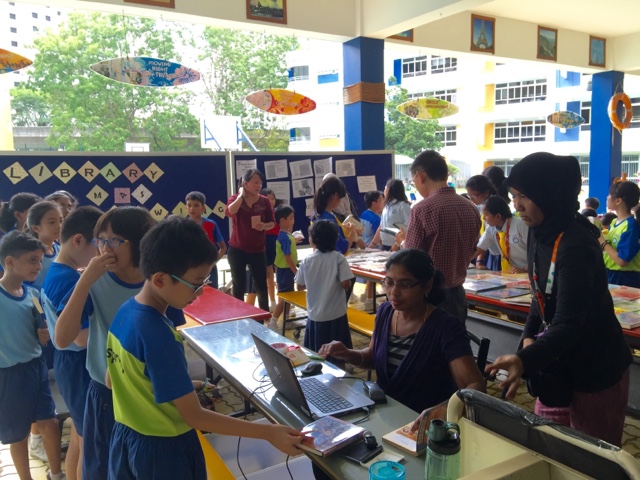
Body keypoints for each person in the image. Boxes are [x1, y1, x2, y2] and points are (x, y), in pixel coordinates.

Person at [105, 216, 303, 479]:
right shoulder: (159, 335)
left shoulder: (125, 312)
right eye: (196, 283)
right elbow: (195, 417)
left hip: (127, 438)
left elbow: (113, 380)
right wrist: (268, 432)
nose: (199, 292)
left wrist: (185, 386)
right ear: (161, 279)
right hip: (164, 451)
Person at [486, 152, 632, 447]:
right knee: (549, 447)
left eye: (524, 197)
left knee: (590, 458)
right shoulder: (539, 232)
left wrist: (524, 359)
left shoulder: (576, 244)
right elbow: (538, 297)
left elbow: (570, 322)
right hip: (555, 365)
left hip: (594, 370)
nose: (517, 206)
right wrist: (527, 339)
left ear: (548, 194)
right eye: (514, 197)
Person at [55, 206, 184, 479]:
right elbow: (62, 338)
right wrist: (85, 282)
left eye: (114, 240)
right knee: (100, 468)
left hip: (148, 392)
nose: (105, 248)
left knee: (142, 466)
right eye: (100, 240)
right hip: (105, 395)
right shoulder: (94, 281)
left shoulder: (158, 280)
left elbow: (171, 333)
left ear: (140, 241)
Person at [318, 249, 485, 414]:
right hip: (385, 413)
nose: (394, 292)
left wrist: (442, 411)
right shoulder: (385, 312)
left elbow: (475, 386)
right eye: (389, 282)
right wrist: (347, 354)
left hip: (421, 420)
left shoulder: (445, 327)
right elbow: (373, 357)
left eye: (405, 285)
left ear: (427, 285)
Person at [42, 206, 103, 480]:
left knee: (80, 436)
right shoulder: (69, 280)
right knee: (89, 441)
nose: (100, 254)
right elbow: (80, 336)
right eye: (98, 246)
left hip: (68, 362)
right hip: (78, 363)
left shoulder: (59, 270)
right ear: (79, 240)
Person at [0, 232, 65, 480]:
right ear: (9, 261)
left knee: (49, 422)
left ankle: (56, 473)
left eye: (39, 260)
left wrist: (44, 334)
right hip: (9, 374)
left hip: (36, 368)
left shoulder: (33, 296)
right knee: (19, 434)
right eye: (32, 260)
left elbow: (41, 330)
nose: (38, 266)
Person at [399, 150, 481, 324]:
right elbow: (473, 248)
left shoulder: (421, 210)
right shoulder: (471, 208)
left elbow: (412, 259)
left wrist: (403, 243)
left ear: (420, 176)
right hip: (458, 295)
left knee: (428, 340)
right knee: (455, 339)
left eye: (414, 181)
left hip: (429, 297)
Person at [295, 220, 354, 367]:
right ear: (334, 239)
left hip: (315, 316)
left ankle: (318, 374)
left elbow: (299, 286)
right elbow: (346, 283)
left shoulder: (307, 261)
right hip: (336, 315)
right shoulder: (338, 258)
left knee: (317, 355)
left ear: (312, 240)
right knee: (339, 356)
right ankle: (340, 375)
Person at [225, 169, 275, 312]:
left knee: (261, 286)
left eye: (260, 183)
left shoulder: (264, 201)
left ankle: (263, 317)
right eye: (255, 182)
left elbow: (272, 223)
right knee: (238, 286)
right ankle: (239, 317)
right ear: (245, 184)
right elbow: (229, 212)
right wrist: (241, 196)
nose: (259, 186)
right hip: (237, 249)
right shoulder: (235, 198)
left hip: (258, 250)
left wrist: (264, 226)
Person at [599, 181, 640, 288]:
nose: (607, 197)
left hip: (625, 278)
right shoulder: (614, 222)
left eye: (609, 195)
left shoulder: (631, 227)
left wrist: (602, 242)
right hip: (610, 273)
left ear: (618, 201)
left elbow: (622, 261)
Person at [473, 196, 528, 273]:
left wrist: (526, 270)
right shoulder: (491, 228)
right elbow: (479, 248)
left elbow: (535, 253)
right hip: (511, 271)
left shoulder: (521, 225)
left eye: (486, 215)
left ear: (498, 216)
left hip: (527, 271)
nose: (484, 219)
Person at [185, 191, 226, 289]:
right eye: (189, 205)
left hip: (209, 268)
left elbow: (223, 248)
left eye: (196, 205)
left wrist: (213, 262)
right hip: (190, 267)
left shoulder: (211, 224)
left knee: (211, 294)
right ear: (186, 208)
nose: (192, 208)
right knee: (191, 294)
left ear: (203, 208)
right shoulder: (183, 226)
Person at [268, 205, 298, 331]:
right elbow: (287, 257)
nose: (293, 220)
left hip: (286, 270)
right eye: (291, 218)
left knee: (288, 296)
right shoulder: (285, 237)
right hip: (286, 270)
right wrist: (296, 272)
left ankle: (287, 320)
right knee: (284, 298)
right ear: (282, 221)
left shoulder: (286, 235)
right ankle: (273, 322)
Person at [24, 201, 63, 292]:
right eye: (52, 222)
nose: (59, 226)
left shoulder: (60, 249)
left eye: (61, 221)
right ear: (36, 228)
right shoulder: (30, 256)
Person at [313, 176, 357, 255]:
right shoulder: (329, 220)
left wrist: (343, 228)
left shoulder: (317, 214)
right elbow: (342, 249)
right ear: (335, 196)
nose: (341, 202)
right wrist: (352, 233)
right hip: (333, 260)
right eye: (341, 198)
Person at [466, 175, 500, 271]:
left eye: (474, 195)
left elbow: (487, 236)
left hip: (496, 252)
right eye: (469, 196)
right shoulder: (481, 206)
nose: (471, 199)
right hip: (486, 249)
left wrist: (479, 260)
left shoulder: (493, 206)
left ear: (486, 193)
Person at [370, 179, 410, 251]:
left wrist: (397, 244)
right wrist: (373, 244)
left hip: (398, 246)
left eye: (385, 188)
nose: (384, 191)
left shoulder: (403, 205)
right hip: (385, 245)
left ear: (389, 190)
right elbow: (381, 227)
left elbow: (408, 227)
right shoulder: (386, 206)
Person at [261, 188, 279, 311]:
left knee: (280, 272)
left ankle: (282, 300)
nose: (271, 201)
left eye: (272, 199)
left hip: (277, 242)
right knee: (269, 274)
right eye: (268, 199)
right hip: (266, 242)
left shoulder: (278, 212)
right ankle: (272, 301)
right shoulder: (261, 213)